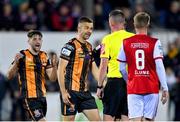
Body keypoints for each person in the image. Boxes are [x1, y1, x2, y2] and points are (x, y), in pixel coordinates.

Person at [117, 12, 169, 121]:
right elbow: (159, 66)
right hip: (151, 87)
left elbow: (121, 68)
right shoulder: (155, 42)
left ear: (134, 24)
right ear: (148, 23)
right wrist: (165, 87)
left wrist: (129, 80)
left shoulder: (125, 43)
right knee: (148, 120)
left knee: (136, 120)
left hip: (134, 87)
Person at [7, 30, 57, 121]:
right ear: (29, 41)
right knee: (41, 120)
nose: (37, 41)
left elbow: (53, 78)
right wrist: (15, 64)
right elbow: (9, 76)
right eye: (34, 39)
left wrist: (55, 67)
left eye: (40, 39)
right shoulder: (22, 55)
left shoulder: (44, 56)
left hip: (42, 97)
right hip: (29, 98)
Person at [57, 16, 101, 121]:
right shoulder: (69, 46)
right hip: (70, 93)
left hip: (85, 94)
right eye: (86, 28)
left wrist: (103, 84)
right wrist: (63, 92)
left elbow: (94, 68)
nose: (89, 31)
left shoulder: (89, 47)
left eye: (91, 28)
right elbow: (60, 70)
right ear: (79, 28)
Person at [96, 9, 134, 121]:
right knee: (125, 116)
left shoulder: (107, 39)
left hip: (114, 82)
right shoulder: (133, 38)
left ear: (110, 24)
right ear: (123, 23)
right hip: (130, 82)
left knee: (108, 116)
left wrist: (99, 86)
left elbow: (103, 65)